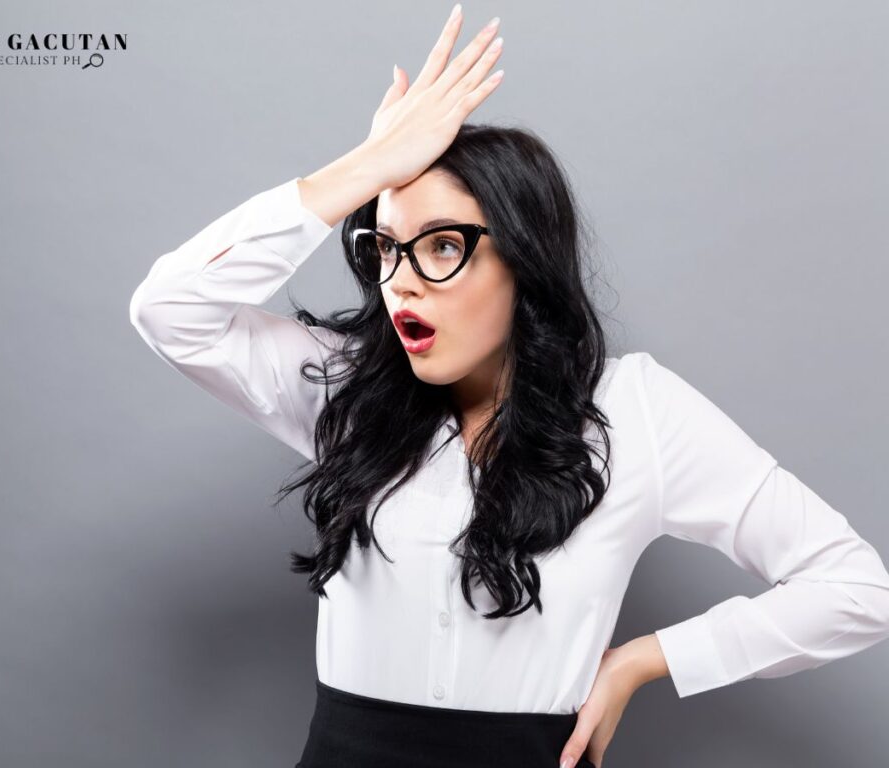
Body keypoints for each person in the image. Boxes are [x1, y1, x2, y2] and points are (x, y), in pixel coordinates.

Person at [128, 5, 889, 767]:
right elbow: (169, 310)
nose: (402, 285)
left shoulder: (636, 414)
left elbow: (857, 590)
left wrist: (647, 659)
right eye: (385, 248)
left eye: (444, 247)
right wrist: (366, 165)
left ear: (523, 260)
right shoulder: (345, 391)